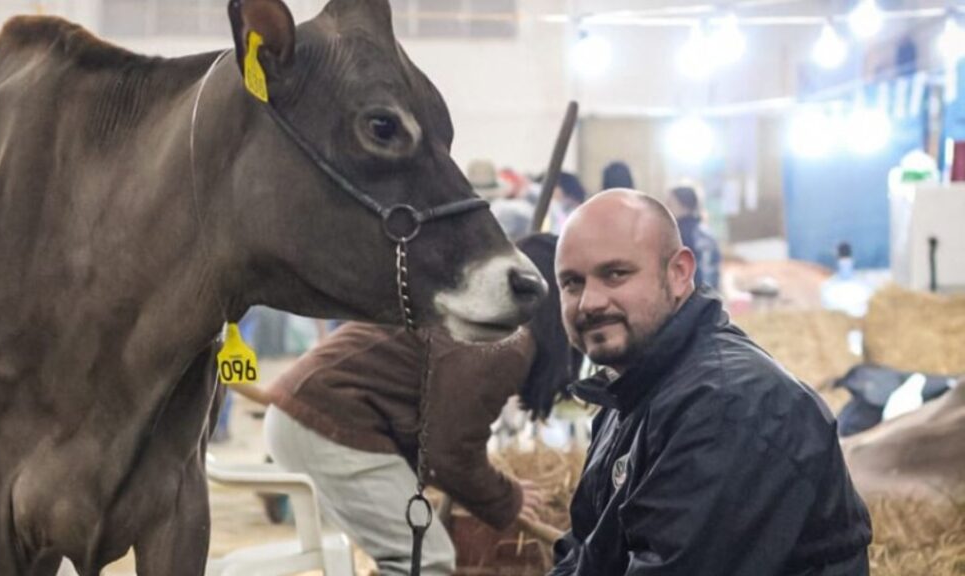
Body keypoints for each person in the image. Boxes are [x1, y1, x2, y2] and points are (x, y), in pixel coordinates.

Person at [550, 189, 872, 576]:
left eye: (615, 274)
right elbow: (583, 554)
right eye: (572, 283)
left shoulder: (730, 406)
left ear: (679, 273)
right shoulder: (629, 396)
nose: (589, 302)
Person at [234, 234, 581, 576]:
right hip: (327, 421)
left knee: (417, 555)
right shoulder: (504, 341)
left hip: (316, 416)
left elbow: (444, 444)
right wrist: (506, 498)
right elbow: (449, 450)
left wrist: (496, 496)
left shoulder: (479, 315)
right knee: (424, 560)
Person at [665, 184, 721, 290]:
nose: (666, 208)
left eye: (670, 203)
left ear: (682, 205)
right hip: (710, 296)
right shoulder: (706, 231)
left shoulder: (678, 234)